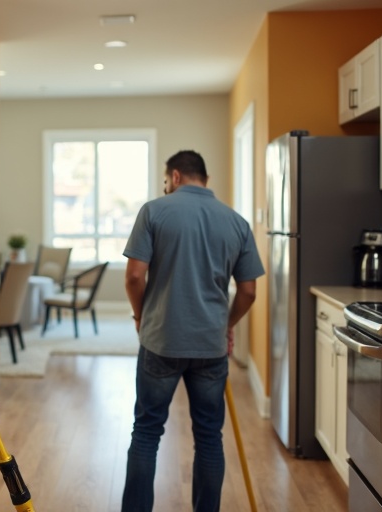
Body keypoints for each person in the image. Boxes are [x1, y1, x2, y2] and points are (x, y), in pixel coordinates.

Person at [121, 150, 264, 512]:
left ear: (175, 176)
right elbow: (248, 291)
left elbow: (135, 276)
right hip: (210, 346)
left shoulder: (153, 211)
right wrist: (227, 325)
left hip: (160, 341)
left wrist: (141, 316)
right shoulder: (236, 222)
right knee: (209, 438)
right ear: (206, 179)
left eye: (167, 181)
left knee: (147, 433)